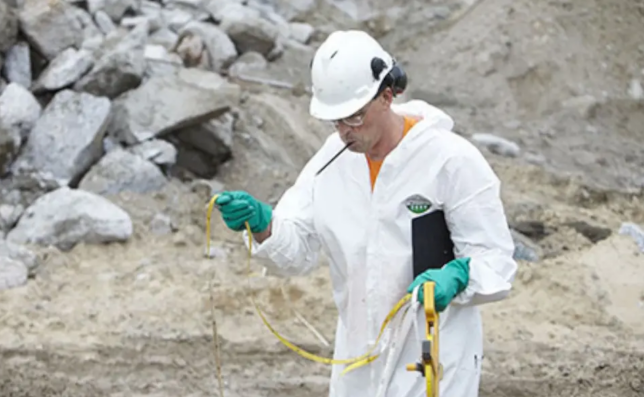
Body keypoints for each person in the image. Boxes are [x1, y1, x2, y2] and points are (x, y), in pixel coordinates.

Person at [214, 30, 518, 397]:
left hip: (435, 353)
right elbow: (297, 253)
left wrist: (458, 276)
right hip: (357, 355)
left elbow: (495, 258)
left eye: (355, 118)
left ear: (387, 97)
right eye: (336, 121)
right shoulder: (330, 163)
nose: (344, 132)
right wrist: (263, 226)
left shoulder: (450, 160)